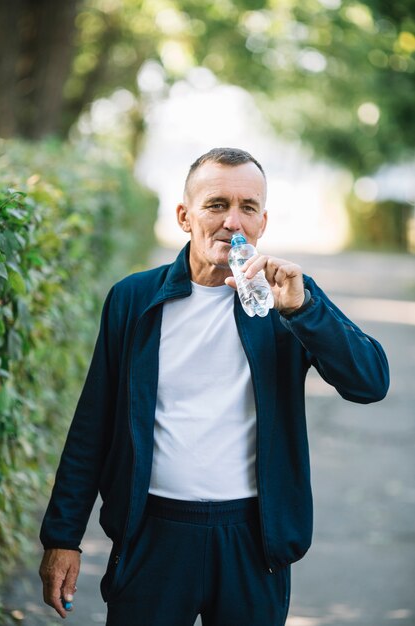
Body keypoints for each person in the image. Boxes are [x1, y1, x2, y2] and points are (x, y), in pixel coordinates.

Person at [39, 147, 389, 625]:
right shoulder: (135, 299)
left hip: (252, 541)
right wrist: (62, 537)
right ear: (185, 216)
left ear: (263, 222)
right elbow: (93, 425)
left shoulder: (288, 300)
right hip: (152, 535)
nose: (233, 222)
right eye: (217, 204)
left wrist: (305, 313)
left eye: (248, 208)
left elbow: (369, 382)